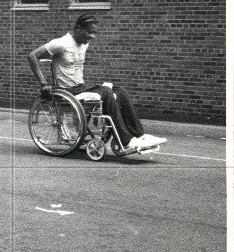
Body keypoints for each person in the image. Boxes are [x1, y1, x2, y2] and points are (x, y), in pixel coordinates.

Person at [27, 14, 166, 150]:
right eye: (89, 32)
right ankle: (126, 140)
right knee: (105, 92)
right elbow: (33, 55)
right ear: (79, 28)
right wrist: (43, 83)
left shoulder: (83, 43)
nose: (92, 37)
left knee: (120, 91)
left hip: (80, 87)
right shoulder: (61, 43)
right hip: (67, 91)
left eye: (94, 33)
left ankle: (139, 135)